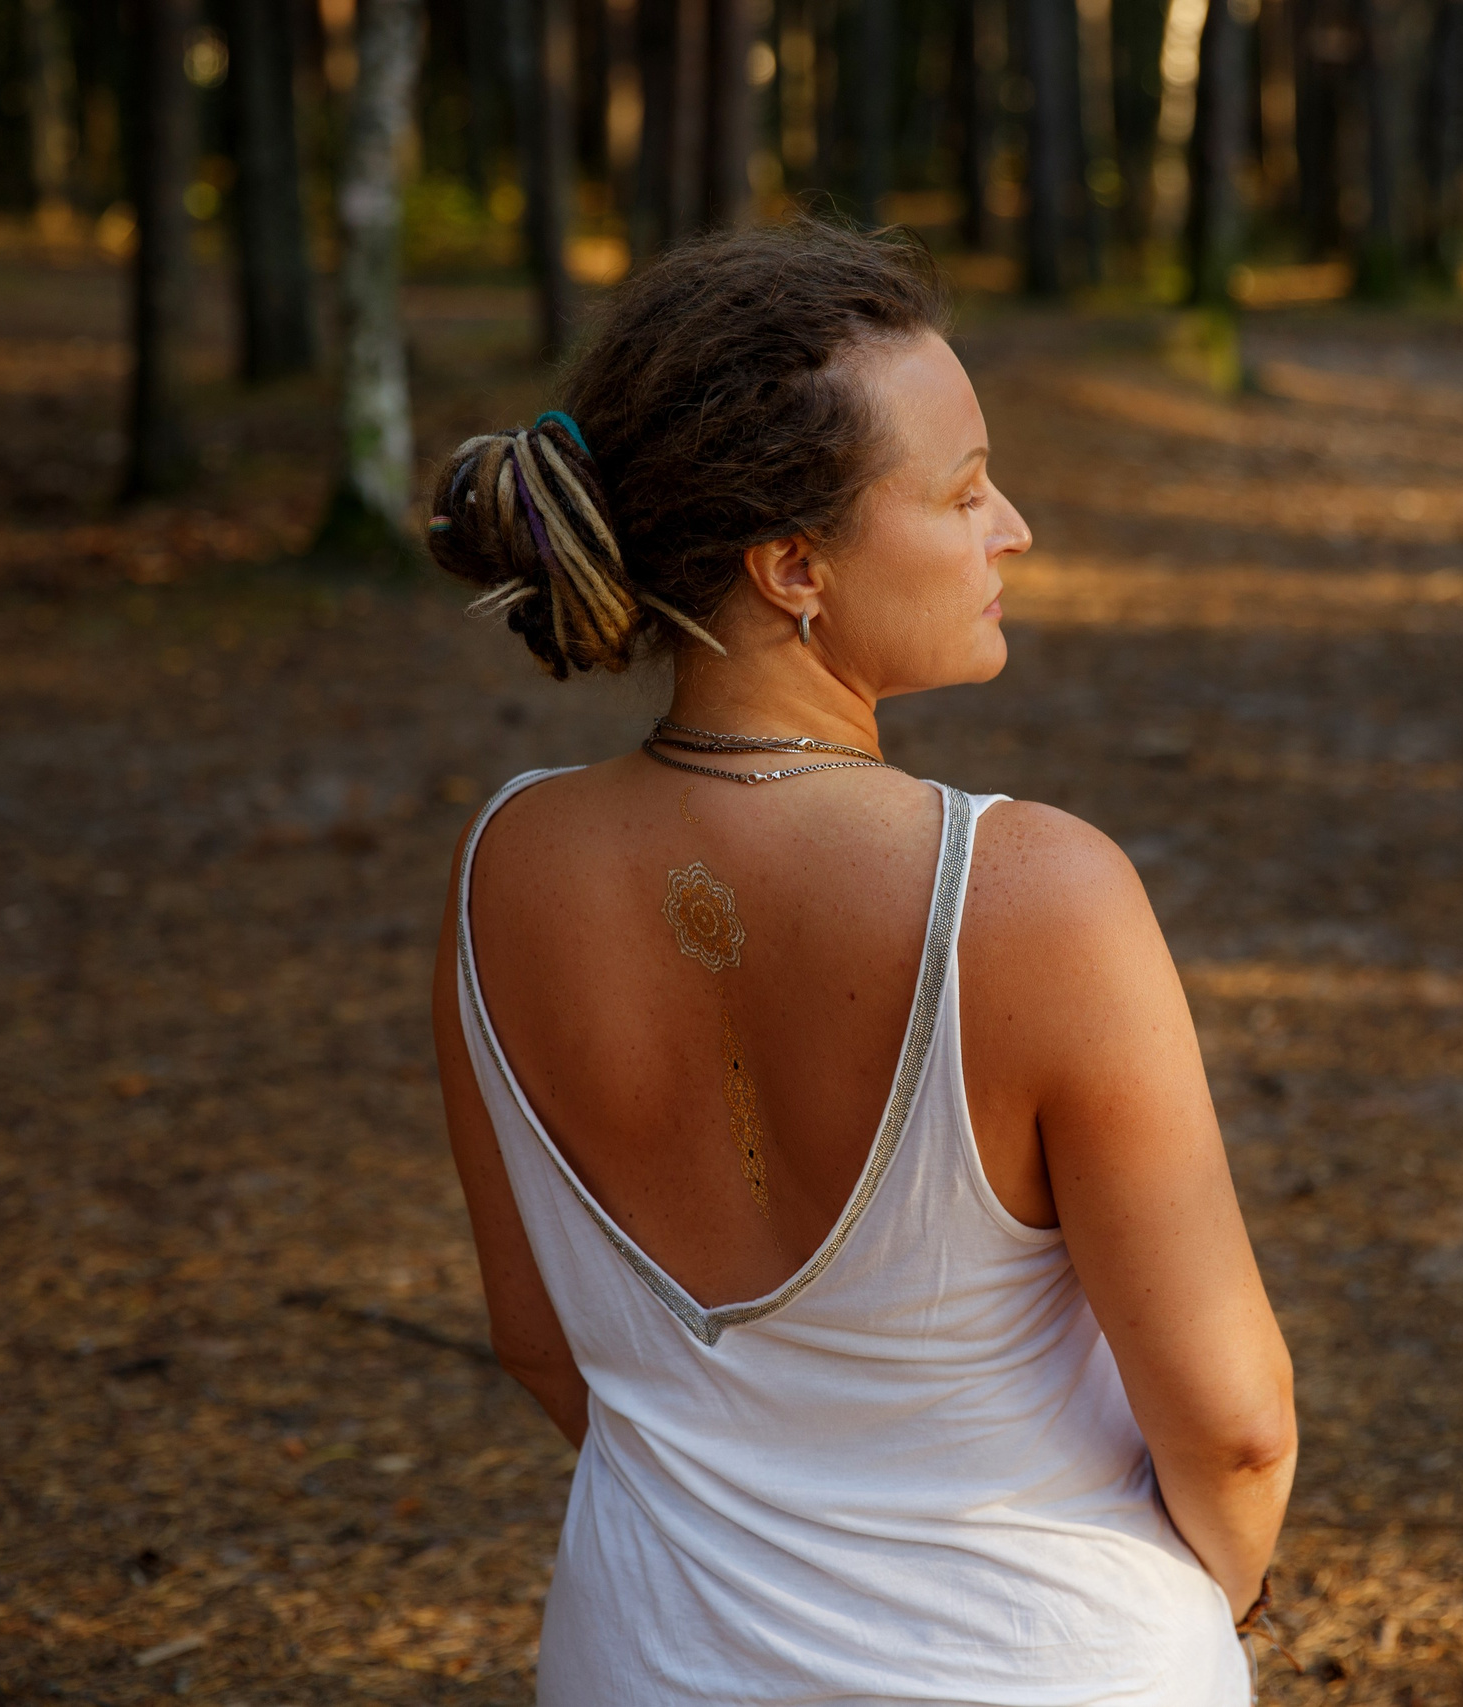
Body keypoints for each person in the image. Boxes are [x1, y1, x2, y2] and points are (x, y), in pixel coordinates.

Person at [426, 221, 1295, 1706]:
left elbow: (539, 1344)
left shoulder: (505, 867)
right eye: (962, 495)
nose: (1011, 525)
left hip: (649, 1662)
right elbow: (1234, 1427)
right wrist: (1205, 1601)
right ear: (793, 566)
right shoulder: (1035, 898)